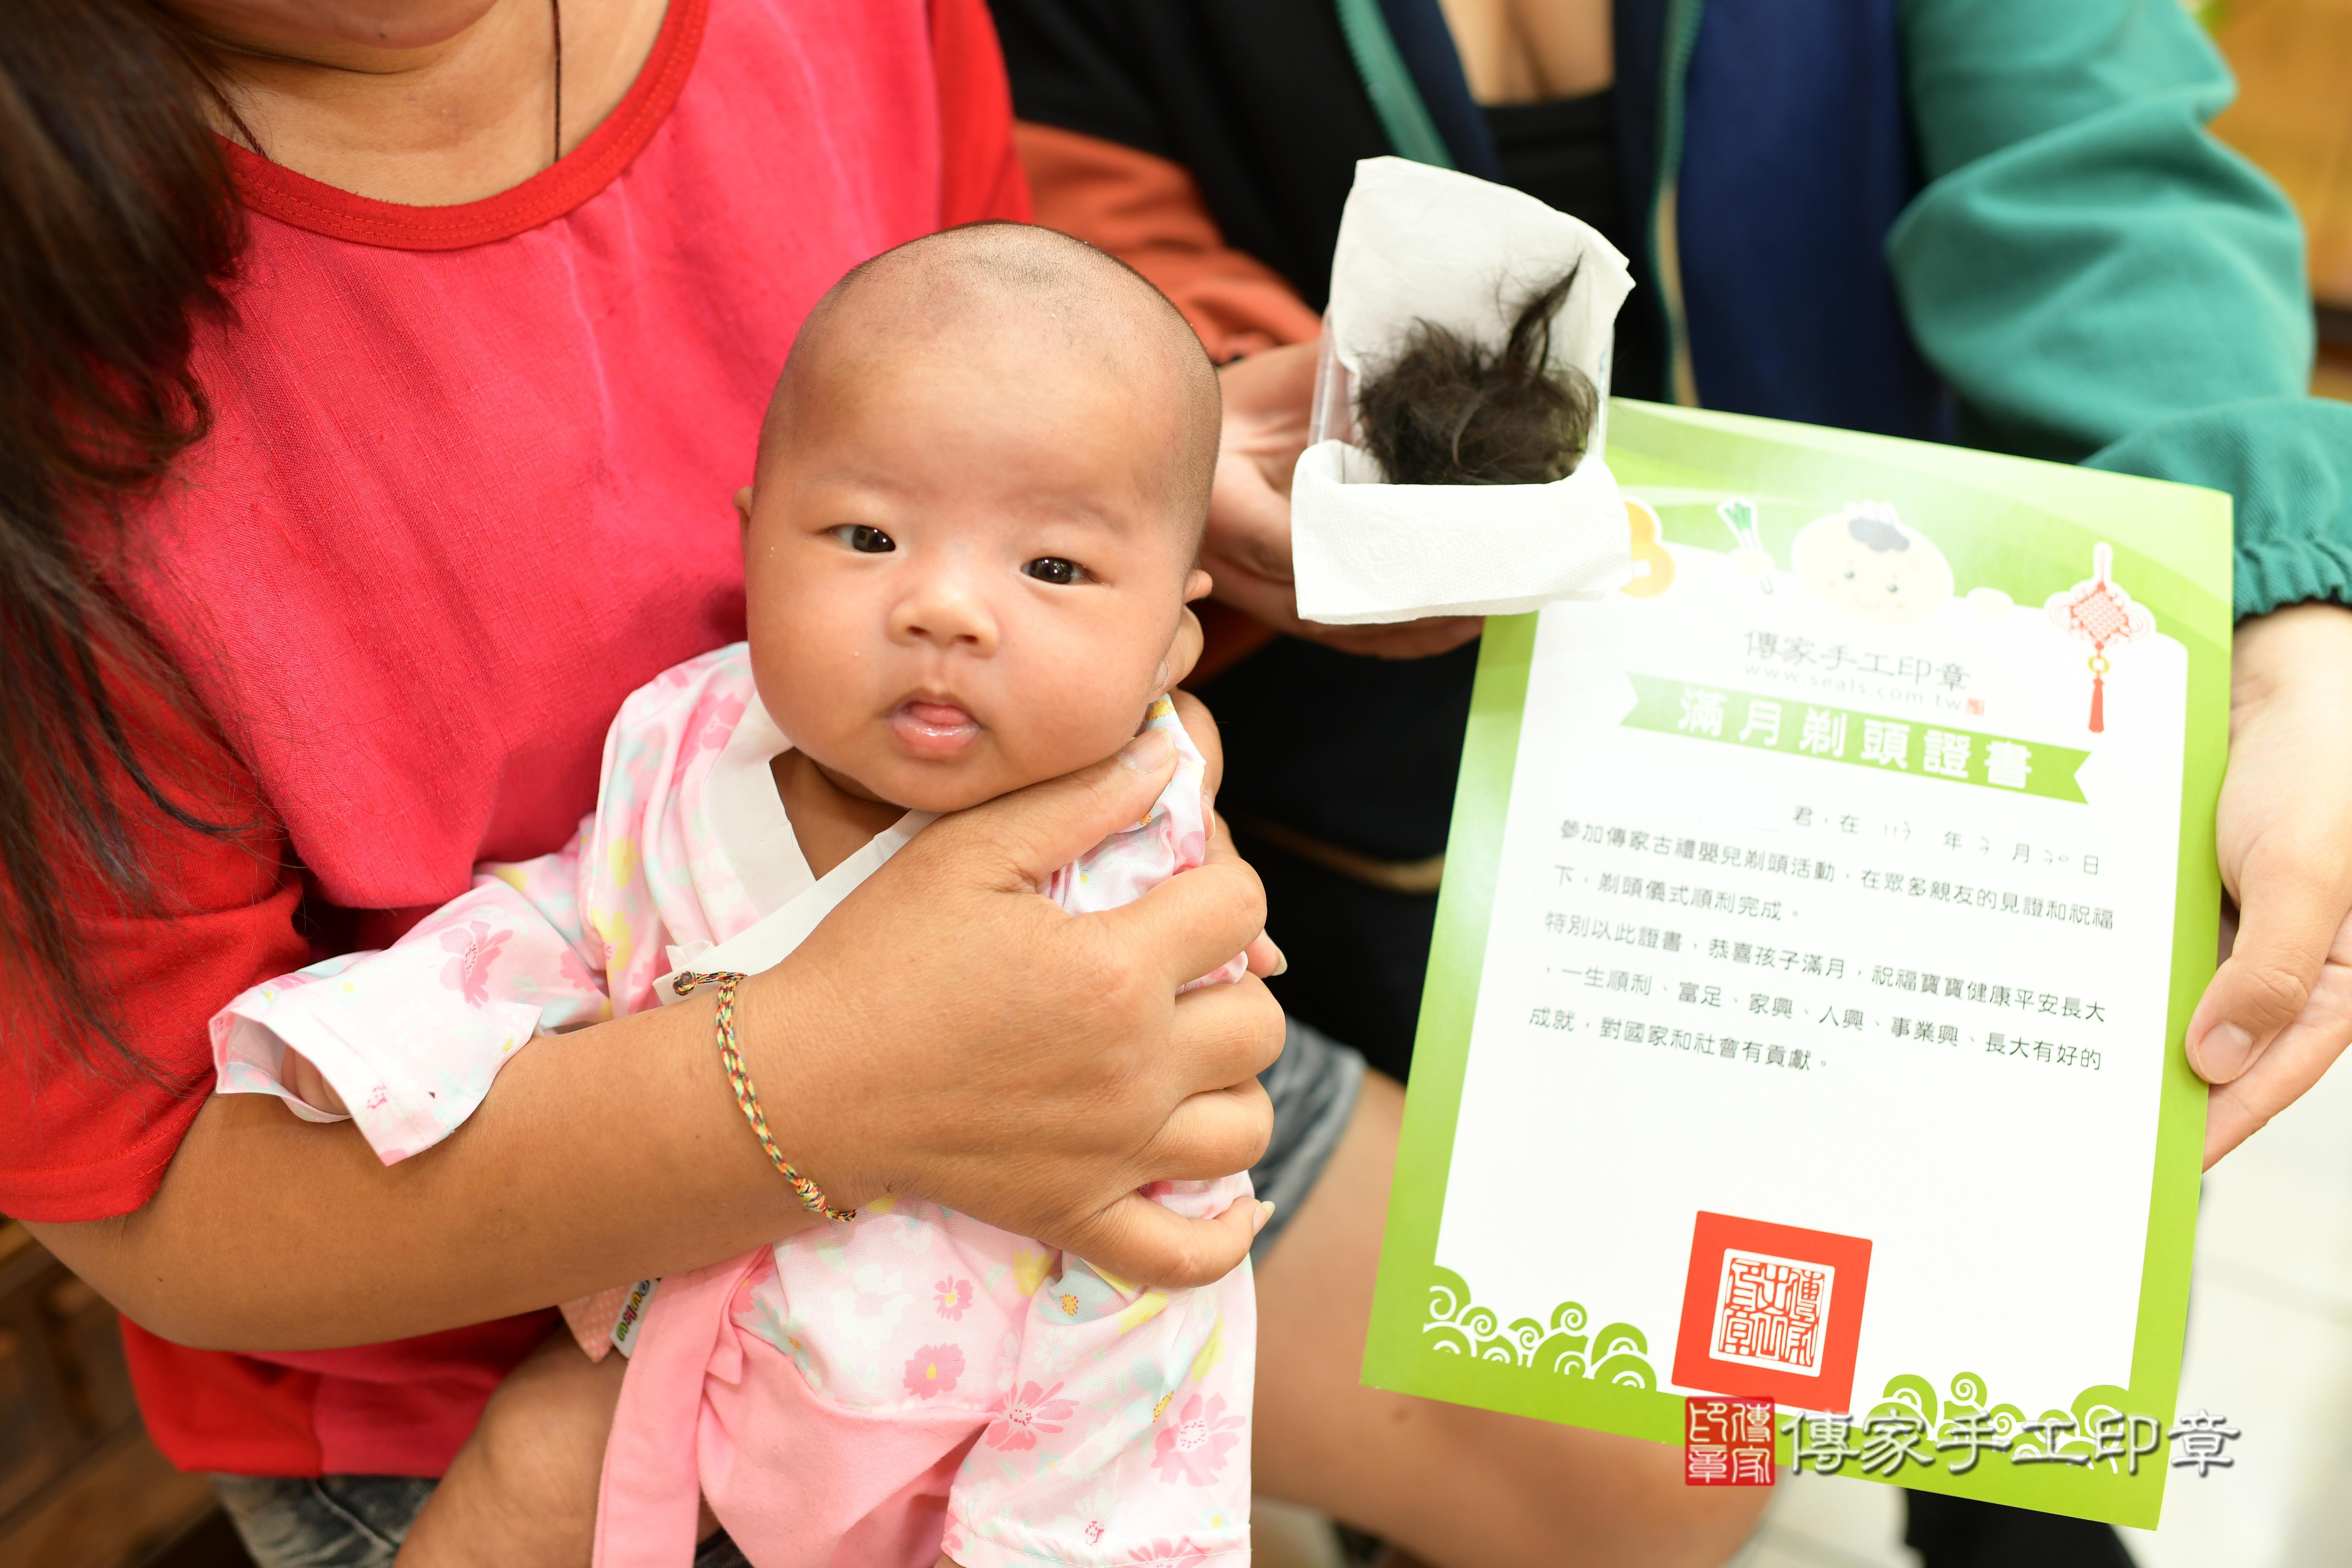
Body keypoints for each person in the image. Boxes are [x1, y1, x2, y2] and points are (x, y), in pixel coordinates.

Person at [0, 3, 1764, 1566]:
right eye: (859, 541)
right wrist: (841, 1099)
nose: (932, 604)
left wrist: (1172, 483)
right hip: (449, 1319)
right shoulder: (75, 367)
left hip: (1072, 1069)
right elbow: (151, 1179)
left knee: (1677, 1446)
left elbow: (978, 339)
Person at [990, 0, 2352, 1561]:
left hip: (1912, 757)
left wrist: (2272, 589)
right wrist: (1208, 408)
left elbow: (2100, 175)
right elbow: (1057, 209)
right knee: (1547, 1424)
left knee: (1997, 1392)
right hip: (1388, 829)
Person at [215, 223, 1263, 1568]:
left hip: (968, 1422)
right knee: (524, 1484)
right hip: (686, 1341)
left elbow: (1165, 1257)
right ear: (754, 544)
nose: (946, 609)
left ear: (1174, 635)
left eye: (1051, 568)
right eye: (869, 536)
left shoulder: (1134, 882)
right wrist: (387, 1039)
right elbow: (576, 916)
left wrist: (1038, 1528)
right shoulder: (688, 736)